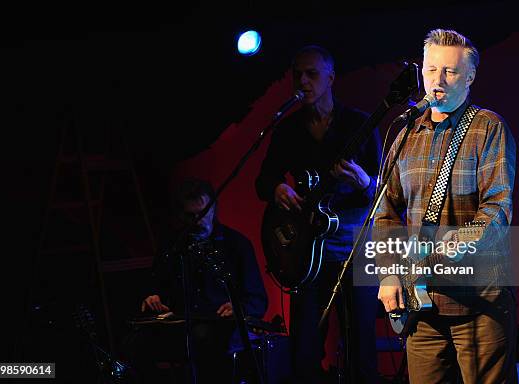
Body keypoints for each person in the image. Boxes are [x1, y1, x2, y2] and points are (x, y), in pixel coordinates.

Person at [374, 29, 517, 383]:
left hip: (478, 301)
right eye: (430, 69)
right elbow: (385, 209)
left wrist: (451, 245)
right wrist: (389, 271)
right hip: (420, 302)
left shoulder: (487, 128)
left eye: (449, 72)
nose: (437, 80)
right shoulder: (405, 133)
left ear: (469, 77)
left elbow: (497, 209)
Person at [255, 45, 382, 383]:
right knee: (304, 351)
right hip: (306, 252)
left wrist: (366, 182)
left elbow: (386, 193)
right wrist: (277, 190)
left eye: (311, 73)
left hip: (354, 249)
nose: (303, 81)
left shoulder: (359, 124)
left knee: (361, 353)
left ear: (331, 77)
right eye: (297, 74)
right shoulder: (287, 129)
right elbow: (263, 181)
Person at [124, 177, 268, 383]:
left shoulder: (236, 245)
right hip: (179, 325)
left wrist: (239, 308)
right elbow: (154, 283)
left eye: (203, 213)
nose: (198, 221)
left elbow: (258, 299)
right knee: (134, 344)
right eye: (190, 216)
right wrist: (152, 296)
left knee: (203, 339)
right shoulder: (172, 245)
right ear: (180, 215)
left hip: (220, 327)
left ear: (213, 208)